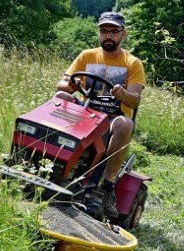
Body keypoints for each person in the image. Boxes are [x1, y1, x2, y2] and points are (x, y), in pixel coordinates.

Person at [55, 11, 145, 220]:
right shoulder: (87, 55)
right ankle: (48, 157)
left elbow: (135, 99)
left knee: (125, 124)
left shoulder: (132, 63)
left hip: (113, 116)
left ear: (123, 34)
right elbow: (62, 83)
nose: (108, 36)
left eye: (114, 32)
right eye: (104, 31)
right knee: (61, 96)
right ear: (98, 33)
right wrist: (70, 85)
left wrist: (123, 94)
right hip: (86, 109)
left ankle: (105, 188)